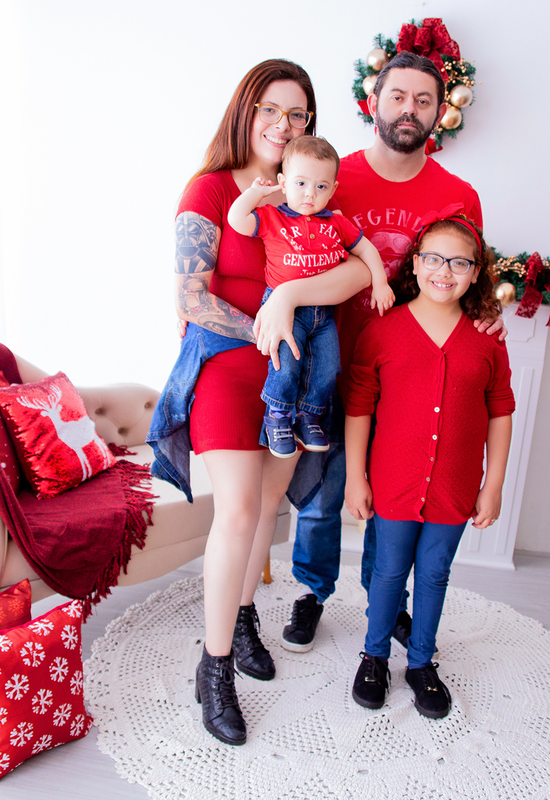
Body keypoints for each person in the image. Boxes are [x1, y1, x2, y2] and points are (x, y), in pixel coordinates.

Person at [147, 59, 372, 747]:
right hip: (224, 363)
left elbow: (355, 271)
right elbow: (190, 298)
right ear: (245, 111)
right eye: (270, 108)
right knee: (241, 508)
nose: (283, 123)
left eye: (297, 113)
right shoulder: (212, 189)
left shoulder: (308, 191)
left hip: (291, 373)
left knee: (270, 506)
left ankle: (242, 616)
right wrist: (265, 324)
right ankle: (214, 668)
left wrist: (292, 298)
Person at [264, 51, 490, 654]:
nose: (409, 109)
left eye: (423, 100)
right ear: (374, 102)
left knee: (388, 506)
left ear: (440, 113)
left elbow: (465, 278)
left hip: (409, 383)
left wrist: (483, 322)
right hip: (328, 366)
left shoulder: (458, 194)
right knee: (320, 497)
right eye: (398, 96)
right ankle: (311, 592)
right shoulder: (329, 174)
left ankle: (382, 602)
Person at [344, 213, 514, 718]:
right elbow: (359, 409)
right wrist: (355, 477)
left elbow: (501, 413)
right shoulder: (382, 332)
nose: (445, 271)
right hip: (393, 482)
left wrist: (493, 485)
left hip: (454, 487)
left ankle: (421, 663)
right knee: (388, 572)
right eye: (434, 259)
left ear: (476, 273)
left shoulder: (487, 341)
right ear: (416, 264)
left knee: (435, 574)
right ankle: (374, 657)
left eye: (459, 263)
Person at [227, 135, 391, 458]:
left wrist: (381, 283)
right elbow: (237, 220)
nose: (310, 193)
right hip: (285, 311)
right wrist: (255, 194)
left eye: (320, 186)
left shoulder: (336, 223)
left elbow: (367, 250)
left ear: (332, 189)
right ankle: (277, 416)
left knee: (327, 367)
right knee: (286, 364)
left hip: (324, 312)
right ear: (283, 183)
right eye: (300, 183)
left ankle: (308, 416)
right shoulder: (273, 218)